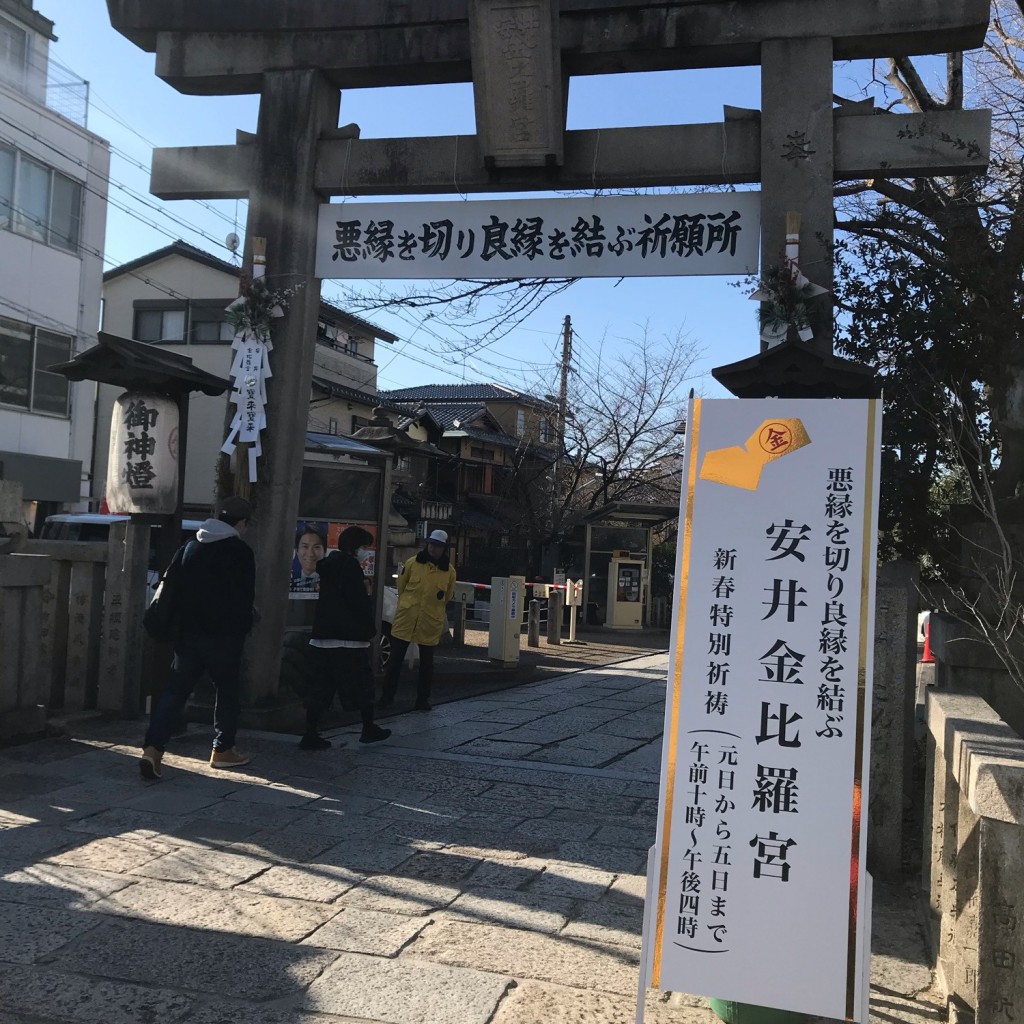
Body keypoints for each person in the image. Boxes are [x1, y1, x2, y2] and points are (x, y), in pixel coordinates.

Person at [139, 495, 256, 780]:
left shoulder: (190, 547)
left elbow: (172, 588)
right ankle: (223, 750)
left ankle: (153, 750)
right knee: (227, 691)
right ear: (241, 524)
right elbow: (244, 599)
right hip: (224, 637)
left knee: (176, 691)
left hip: (189, 636)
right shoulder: (239, 552)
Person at [301, 526, 392, 748]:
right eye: (363, 546)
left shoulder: (328, 565)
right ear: (354, 546)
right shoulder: (350, 567)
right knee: (362, 687)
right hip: (348, 640)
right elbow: (358, 602)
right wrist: (369, 630)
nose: (365, 551)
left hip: (322, 639)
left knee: (321, 689)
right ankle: (368, 728)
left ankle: (310, 734)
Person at [380, 528, 456, 711]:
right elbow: (402, 585)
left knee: (427, 664)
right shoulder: (413, 563)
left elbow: (447, 596)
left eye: (437, 546)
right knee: (395, 661)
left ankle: (423, 699)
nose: (433, 548)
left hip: (429, 621)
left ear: (444, 548)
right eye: (431, 544)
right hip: (407, 618)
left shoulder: (449, 572)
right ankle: (387, 697)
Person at [291, 524, 326, 592]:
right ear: (296, 550)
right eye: (305, 546)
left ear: (324, 552)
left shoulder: (331, 581)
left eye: (316, 547)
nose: (310, 554)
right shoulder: (288, 579)